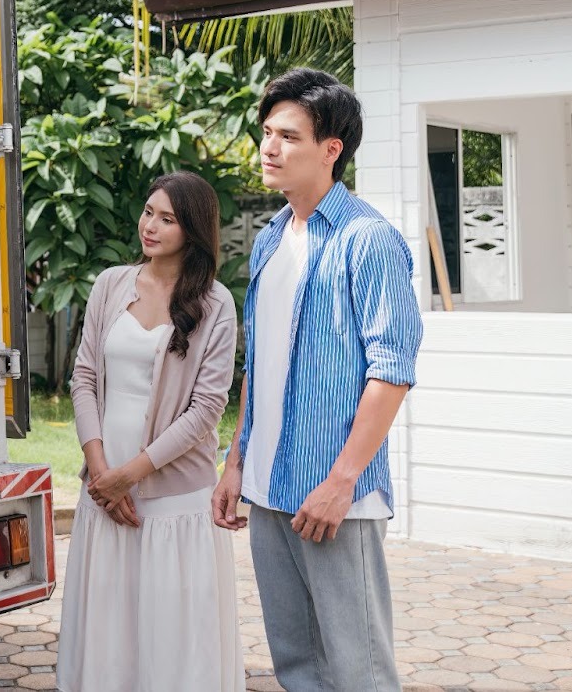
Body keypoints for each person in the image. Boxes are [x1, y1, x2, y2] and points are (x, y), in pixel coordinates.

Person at [213, 68, 423, 692]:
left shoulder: (368, 240)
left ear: (331, 149)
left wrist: (342, 482)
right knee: (297, 667)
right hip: (268, 483)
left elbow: (392, 372)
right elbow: (261, 363)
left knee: (358, 671)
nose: (268, 148)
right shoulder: (272, 239)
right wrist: (234, 463)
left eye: (288, 136)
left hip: (332, 496)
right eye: (266, 133)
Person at [58, 171, 245, 692]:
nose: (151, 226)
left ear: (193, 230)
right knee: (110, 629)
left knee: (171, 636)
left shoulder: (215, 303)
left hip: (172, 501)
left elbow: (207, 408)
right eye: (148, 212)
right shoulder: (110, 284)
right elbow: (85, 377)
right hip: (104, 492)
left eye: (167, 218)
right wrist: (101, 474)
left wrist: (130, 476)